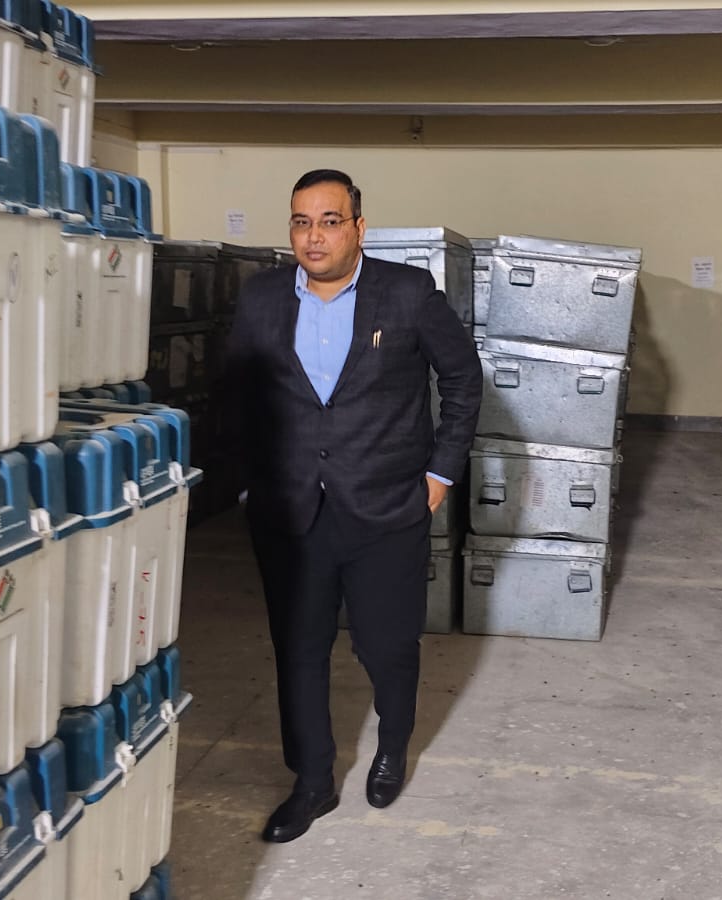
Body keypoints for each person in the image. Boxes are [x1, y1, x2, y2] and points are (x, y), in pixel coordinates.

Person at [223, 169, 482, 843]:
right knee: (299, 649)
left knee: (387, 645)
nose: (315, 236)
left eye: (330, 221)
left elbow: (462, 378)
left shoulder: (408, 293)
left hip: (386, 506)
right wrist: (249, 484)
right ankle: (312, 781)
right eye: (302, 222)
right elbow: (235, 395)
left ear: (359, 228)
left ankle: (393, 747)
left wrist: (440, 476)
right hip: (289, 512)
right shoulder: (261, 298)